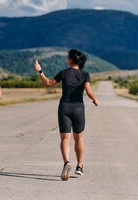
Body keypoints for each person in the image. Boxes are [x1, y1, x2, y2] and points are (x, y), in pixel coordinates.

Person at [34, 49, 98, 181]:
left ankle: (66, 162)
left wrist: (40, 71)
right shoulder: (85, 74)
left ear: (70, 60)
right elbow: (89, 91)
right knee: (79, 138)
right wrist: (95, 99)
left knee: (65, 139)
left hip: (64, 107)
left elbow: (47, 83)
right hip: (78, 109)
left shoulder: (64, 73)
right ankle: (79, 166)